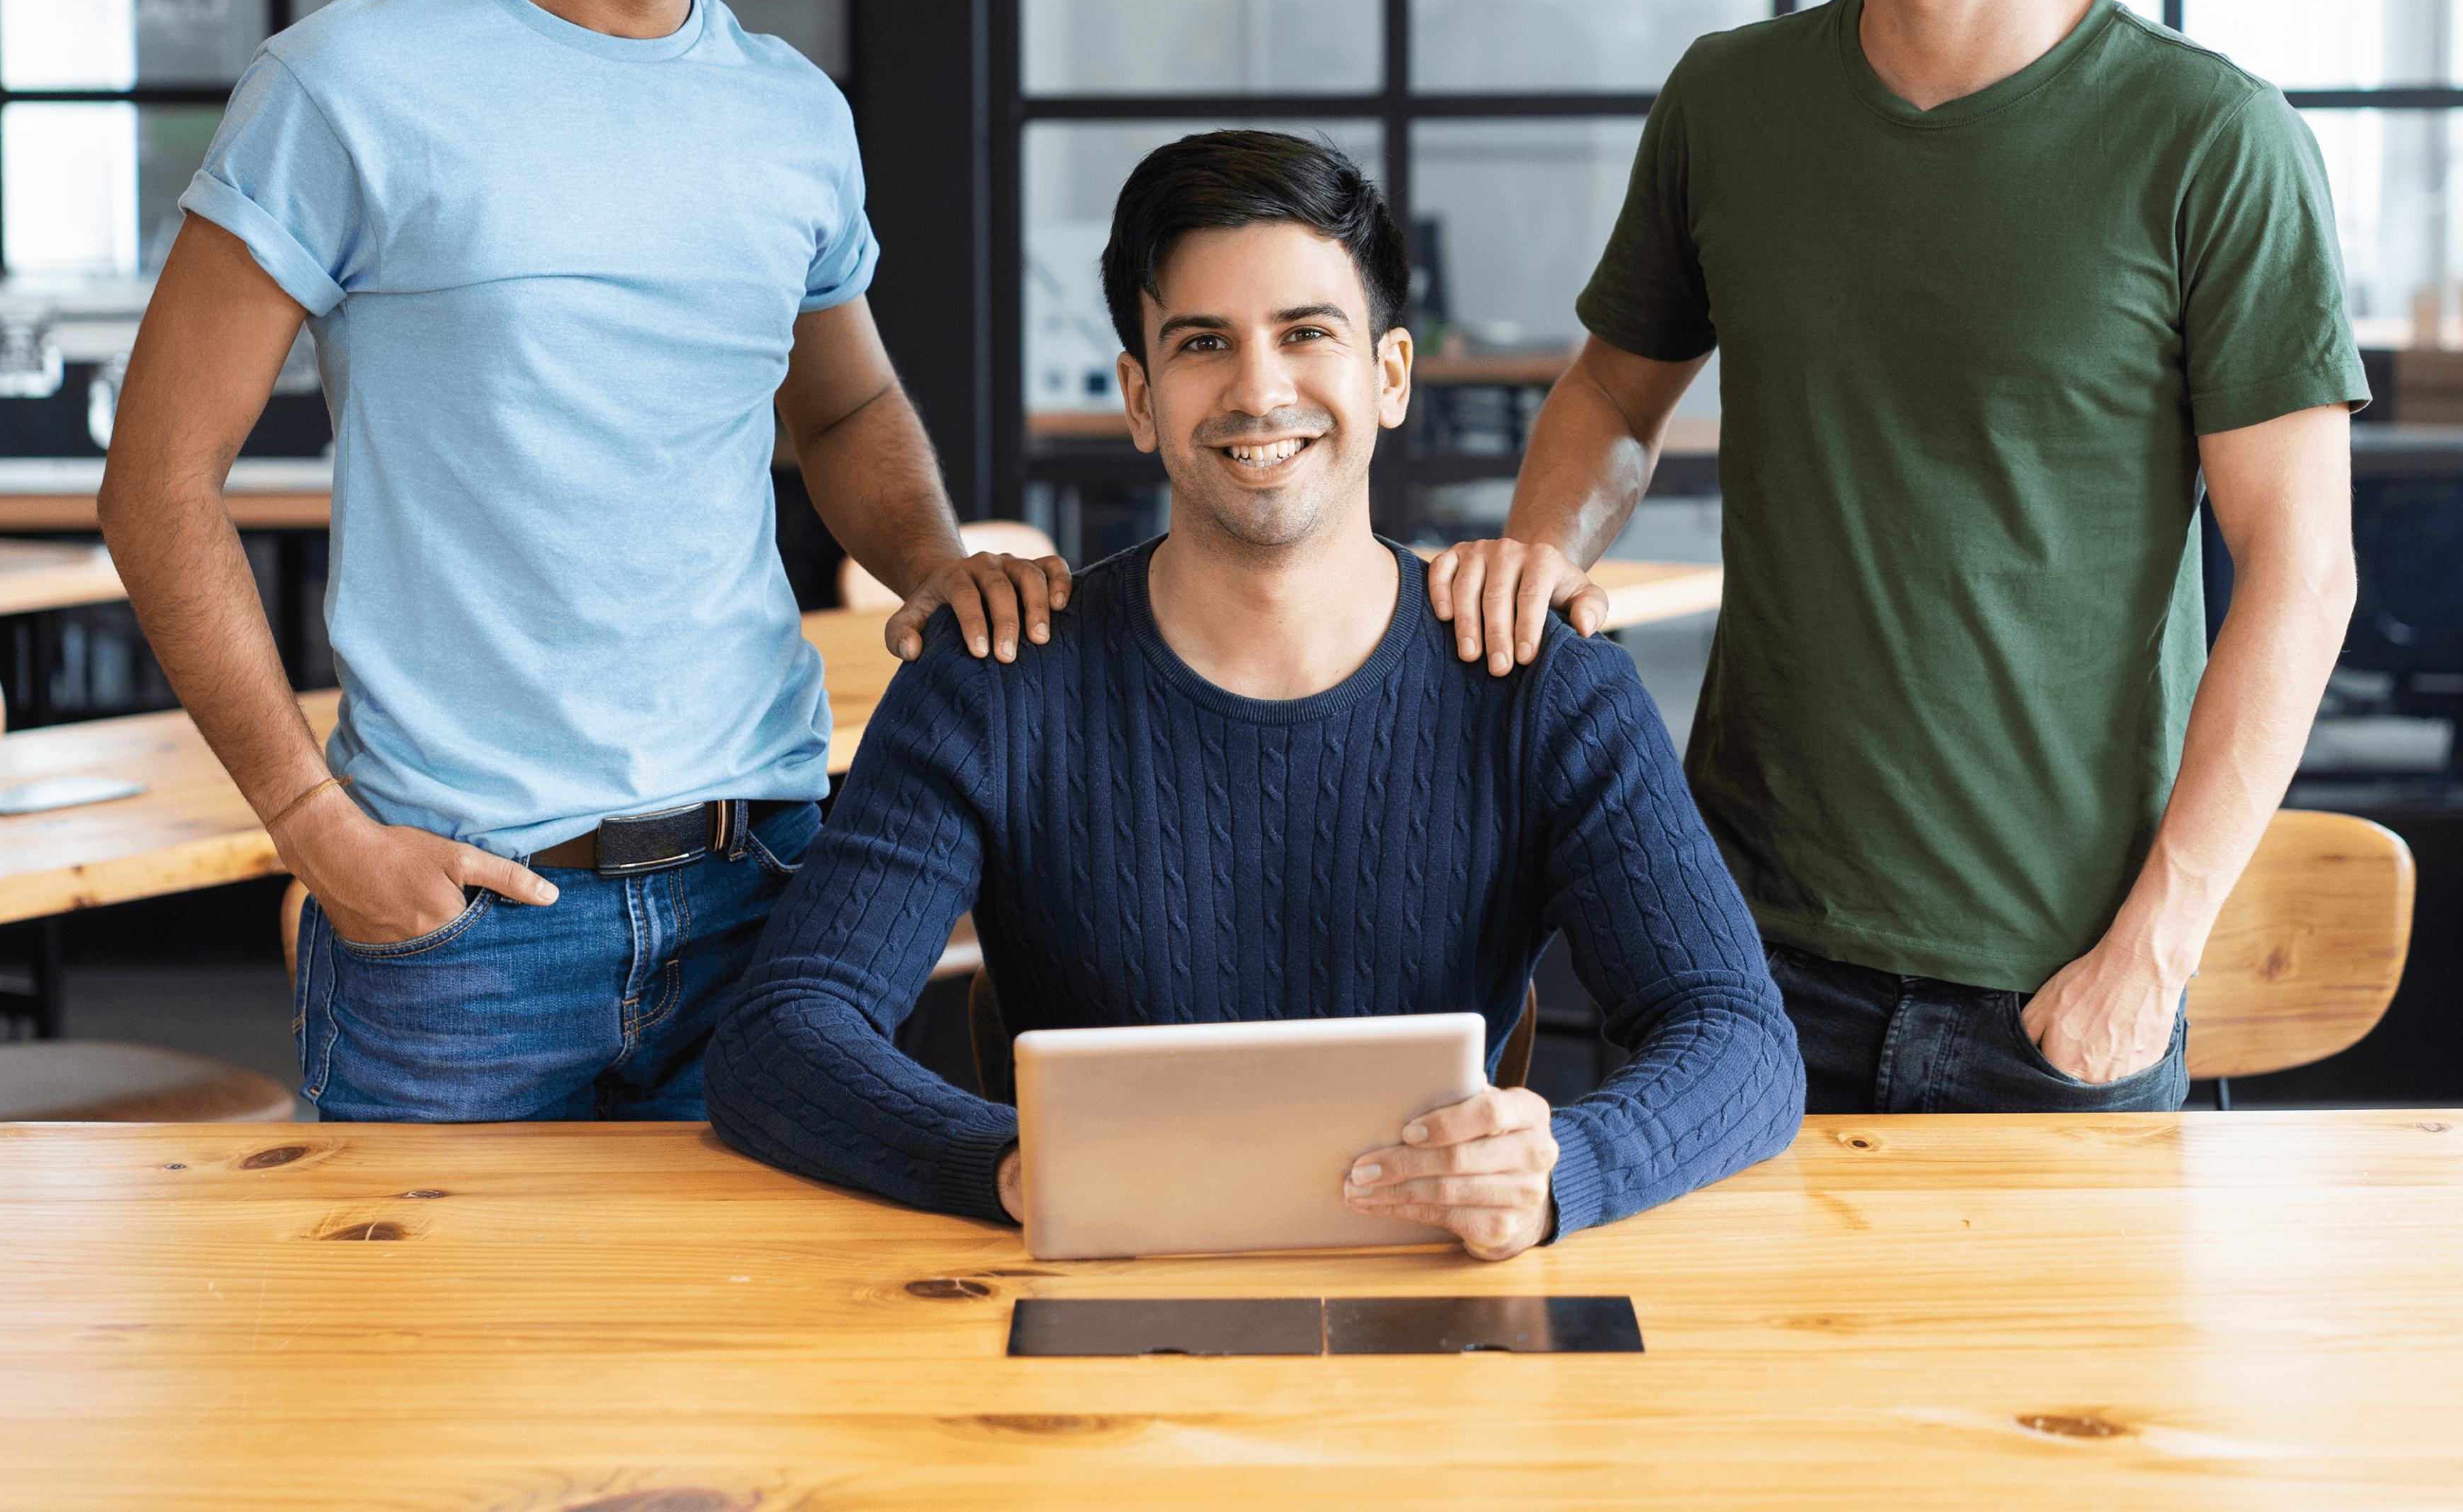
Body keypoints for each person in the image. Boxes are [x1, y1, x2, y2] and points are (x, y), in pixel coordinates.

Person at [99, 0, 1066, 1121]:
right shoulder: (346, 86)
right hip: (465, 921)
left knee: (763, 1363)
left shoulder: (793, 119)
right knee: (440, 1370)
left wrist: (939, 561)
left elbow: (842, 410)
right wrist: (308, 820)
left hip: (769, 886)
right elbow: (156, 482)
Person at [1427, 0, 2364, 1114]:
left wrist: (2157, 949)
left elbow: (2303, 567)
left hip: (2062, 982)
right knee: (1717, 1369)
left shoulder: (2212, 137)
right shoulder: (1731, 104)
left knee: (2064, 1374)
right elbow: (1612, 392)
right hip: (1739, 962)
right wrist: (1545, 558)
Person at [705, 131, 1802, 1256]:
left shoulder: (1542, 680)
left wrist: (1567, 1168)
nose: (1259, 389)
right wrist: (1001, 1164)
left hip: (1442, 1301)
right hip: (1083, 1315)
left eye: (1307, 332)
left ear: (1390, 375)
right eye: (1202, 344)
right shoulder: (996, 680)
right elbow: (781, 1034)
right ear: (1141, 396)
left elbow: (1741, 1042)